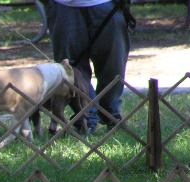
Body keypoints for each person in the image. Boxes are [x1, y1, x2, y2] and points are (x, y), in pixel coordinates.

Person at [46, 0, 133, 132]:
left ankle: (111, 116)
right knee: (72, 70)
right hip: (64, 6)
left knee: (113, 68)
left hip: (108, 4)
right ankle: (86, 119)